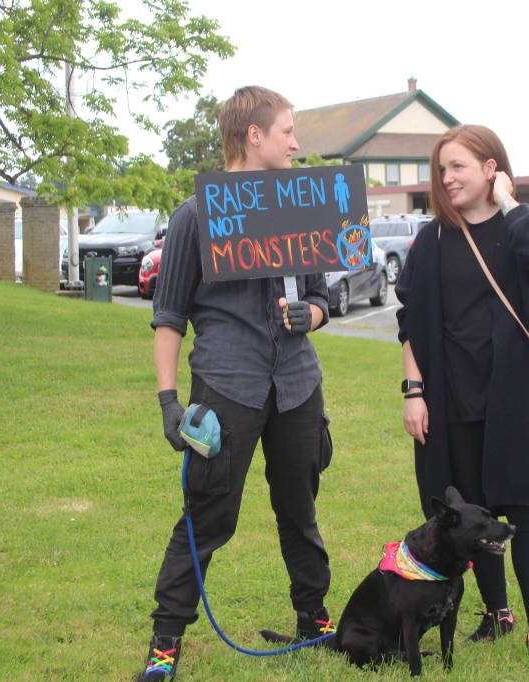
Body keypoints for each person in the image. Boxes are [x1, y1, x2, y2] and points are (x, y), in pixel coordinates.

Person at [137, 86, 335, 681]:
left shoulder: (301, 207)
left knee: (299, 508)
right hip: (227, 386)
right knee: (208, 512)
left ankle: (313, 617)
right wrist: (169, 401)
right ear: (254, 135)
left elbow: (324, 298)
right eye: (287, 132)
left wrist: (313, 316)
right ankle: (166, 640)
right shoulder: (196, 216)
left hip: (297, 385)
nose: (297, 144)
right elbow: (169, 316)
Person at [395, 125, 529, 673]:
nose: (447, 178)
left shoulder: (523, 232)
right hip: (452, 400)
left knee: (527, 506)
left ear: (490, 168)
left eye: (458, 166)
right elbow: (409, 321)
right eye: (442, 169)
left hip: (518, 397)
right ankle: (497, 612)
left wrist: (506, 200)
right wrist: (414, 390)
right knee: (470, 511)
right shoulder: (431, 242)